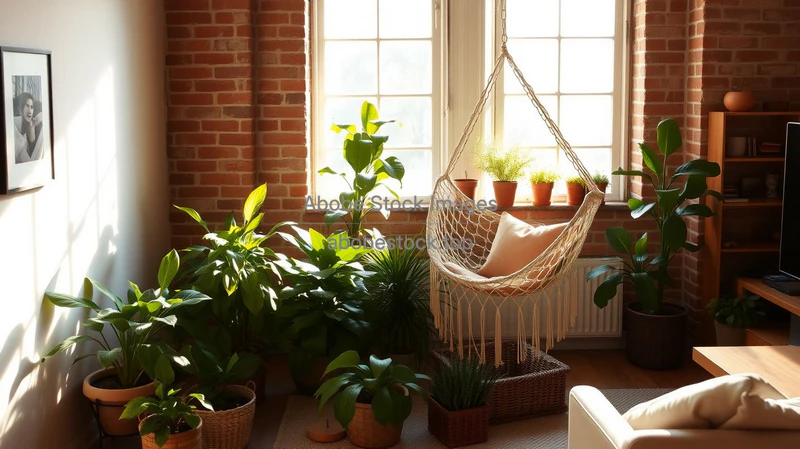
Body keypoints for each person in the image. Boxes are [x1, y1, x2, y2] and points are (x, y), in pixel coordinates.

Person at [14, 92, 44, 164]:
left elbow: (32, 139)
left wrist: (32, 126)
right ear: (21, 108)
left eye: (31, 107)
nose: (30, 110)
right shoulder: (16, 123)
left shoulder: (28, 123)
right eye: (27, 106)